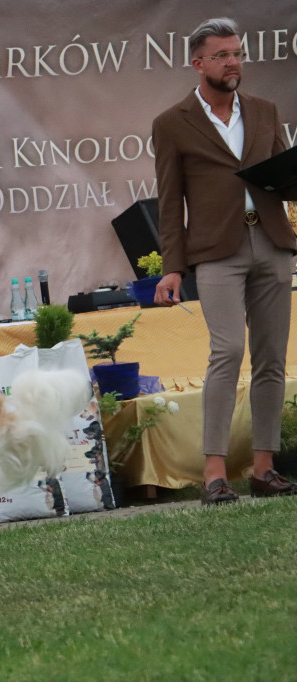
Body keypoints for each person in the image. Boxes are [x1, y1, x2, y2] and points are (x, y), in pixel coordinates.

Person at [152, 17, 297, 505]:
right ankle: (214, 473)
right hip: (217, 252)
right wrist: (173, 266)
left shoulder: (264, 110)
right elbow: (170, 203)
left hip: (272, 244)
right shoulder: (172, 123)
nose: (234, 62)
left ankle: (263, 468)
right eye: (223, 55)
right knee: (228, 351)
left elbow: (284, 179)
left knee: (273, 359)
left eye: (238, 53)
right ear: (198, 64)